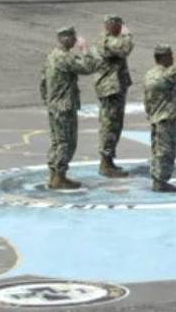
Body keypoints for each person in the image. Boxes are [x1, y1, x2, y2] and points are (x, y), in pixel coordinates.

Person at [40, 26, 100, 190]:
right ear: (65, 39)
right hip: (64, 106)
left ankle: (54, 175)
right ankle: (59, 177)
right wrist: (86, 49)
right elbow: (88, 67)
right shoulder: (64, 57)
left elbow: (43, 82)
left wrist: (49, 100)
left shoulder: (51, 56)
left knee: (57, 141)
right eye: (73, 38)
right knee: (67, 142)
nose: (75, 41)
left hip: (54, 105)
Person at [143, 44, 176, 193]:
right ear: (164, 58)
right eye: (170, 56)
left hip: (156, 115)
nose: (172, 58)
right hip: (165, 117)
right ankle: (160, 181)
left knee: (158, 149)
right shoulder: (166, 74)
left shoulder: (150, 74)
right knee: (166, 150)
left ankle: (158, 178)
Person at [94, 14, 133, 178]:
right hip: (111, 89)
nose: (122, 28)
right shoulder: (108, 41)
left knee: (115, 124)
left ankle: (108, 160)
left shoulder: (110, 39)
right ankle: (105, 162)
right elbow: (125, 49)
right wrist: (127, 34)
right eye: (120, 25)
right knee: (110, 125)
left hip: (114, 87)